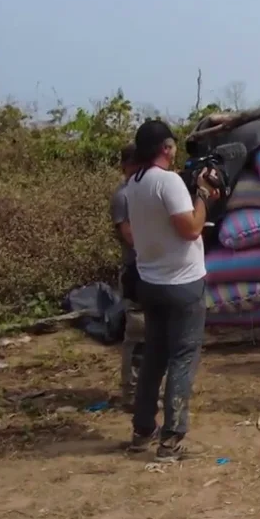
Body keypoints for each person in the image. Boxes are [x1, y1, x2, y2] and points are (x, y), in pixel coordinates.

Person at [121, 119, 221, 461]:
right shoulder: (168, 182)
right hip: (183, 284)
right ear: (165, 148)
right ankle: (171, 439)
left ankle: (142, 431)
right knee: (182, 358)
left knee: (154, 358)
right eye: (173, 145)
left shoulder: (134, 184)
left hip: (151, 283)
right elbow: (191, 229)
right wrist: (205, 197)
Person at [110, 142, 147, 410]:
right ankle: (132, 394)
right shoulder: (123, 196)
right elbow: (129, 236)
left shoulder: (144, 192)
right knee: (137, 332)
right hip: (136, 270)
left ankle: (147, 389)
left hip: (152, 269)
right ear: (125, 166)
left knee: (152, 333)